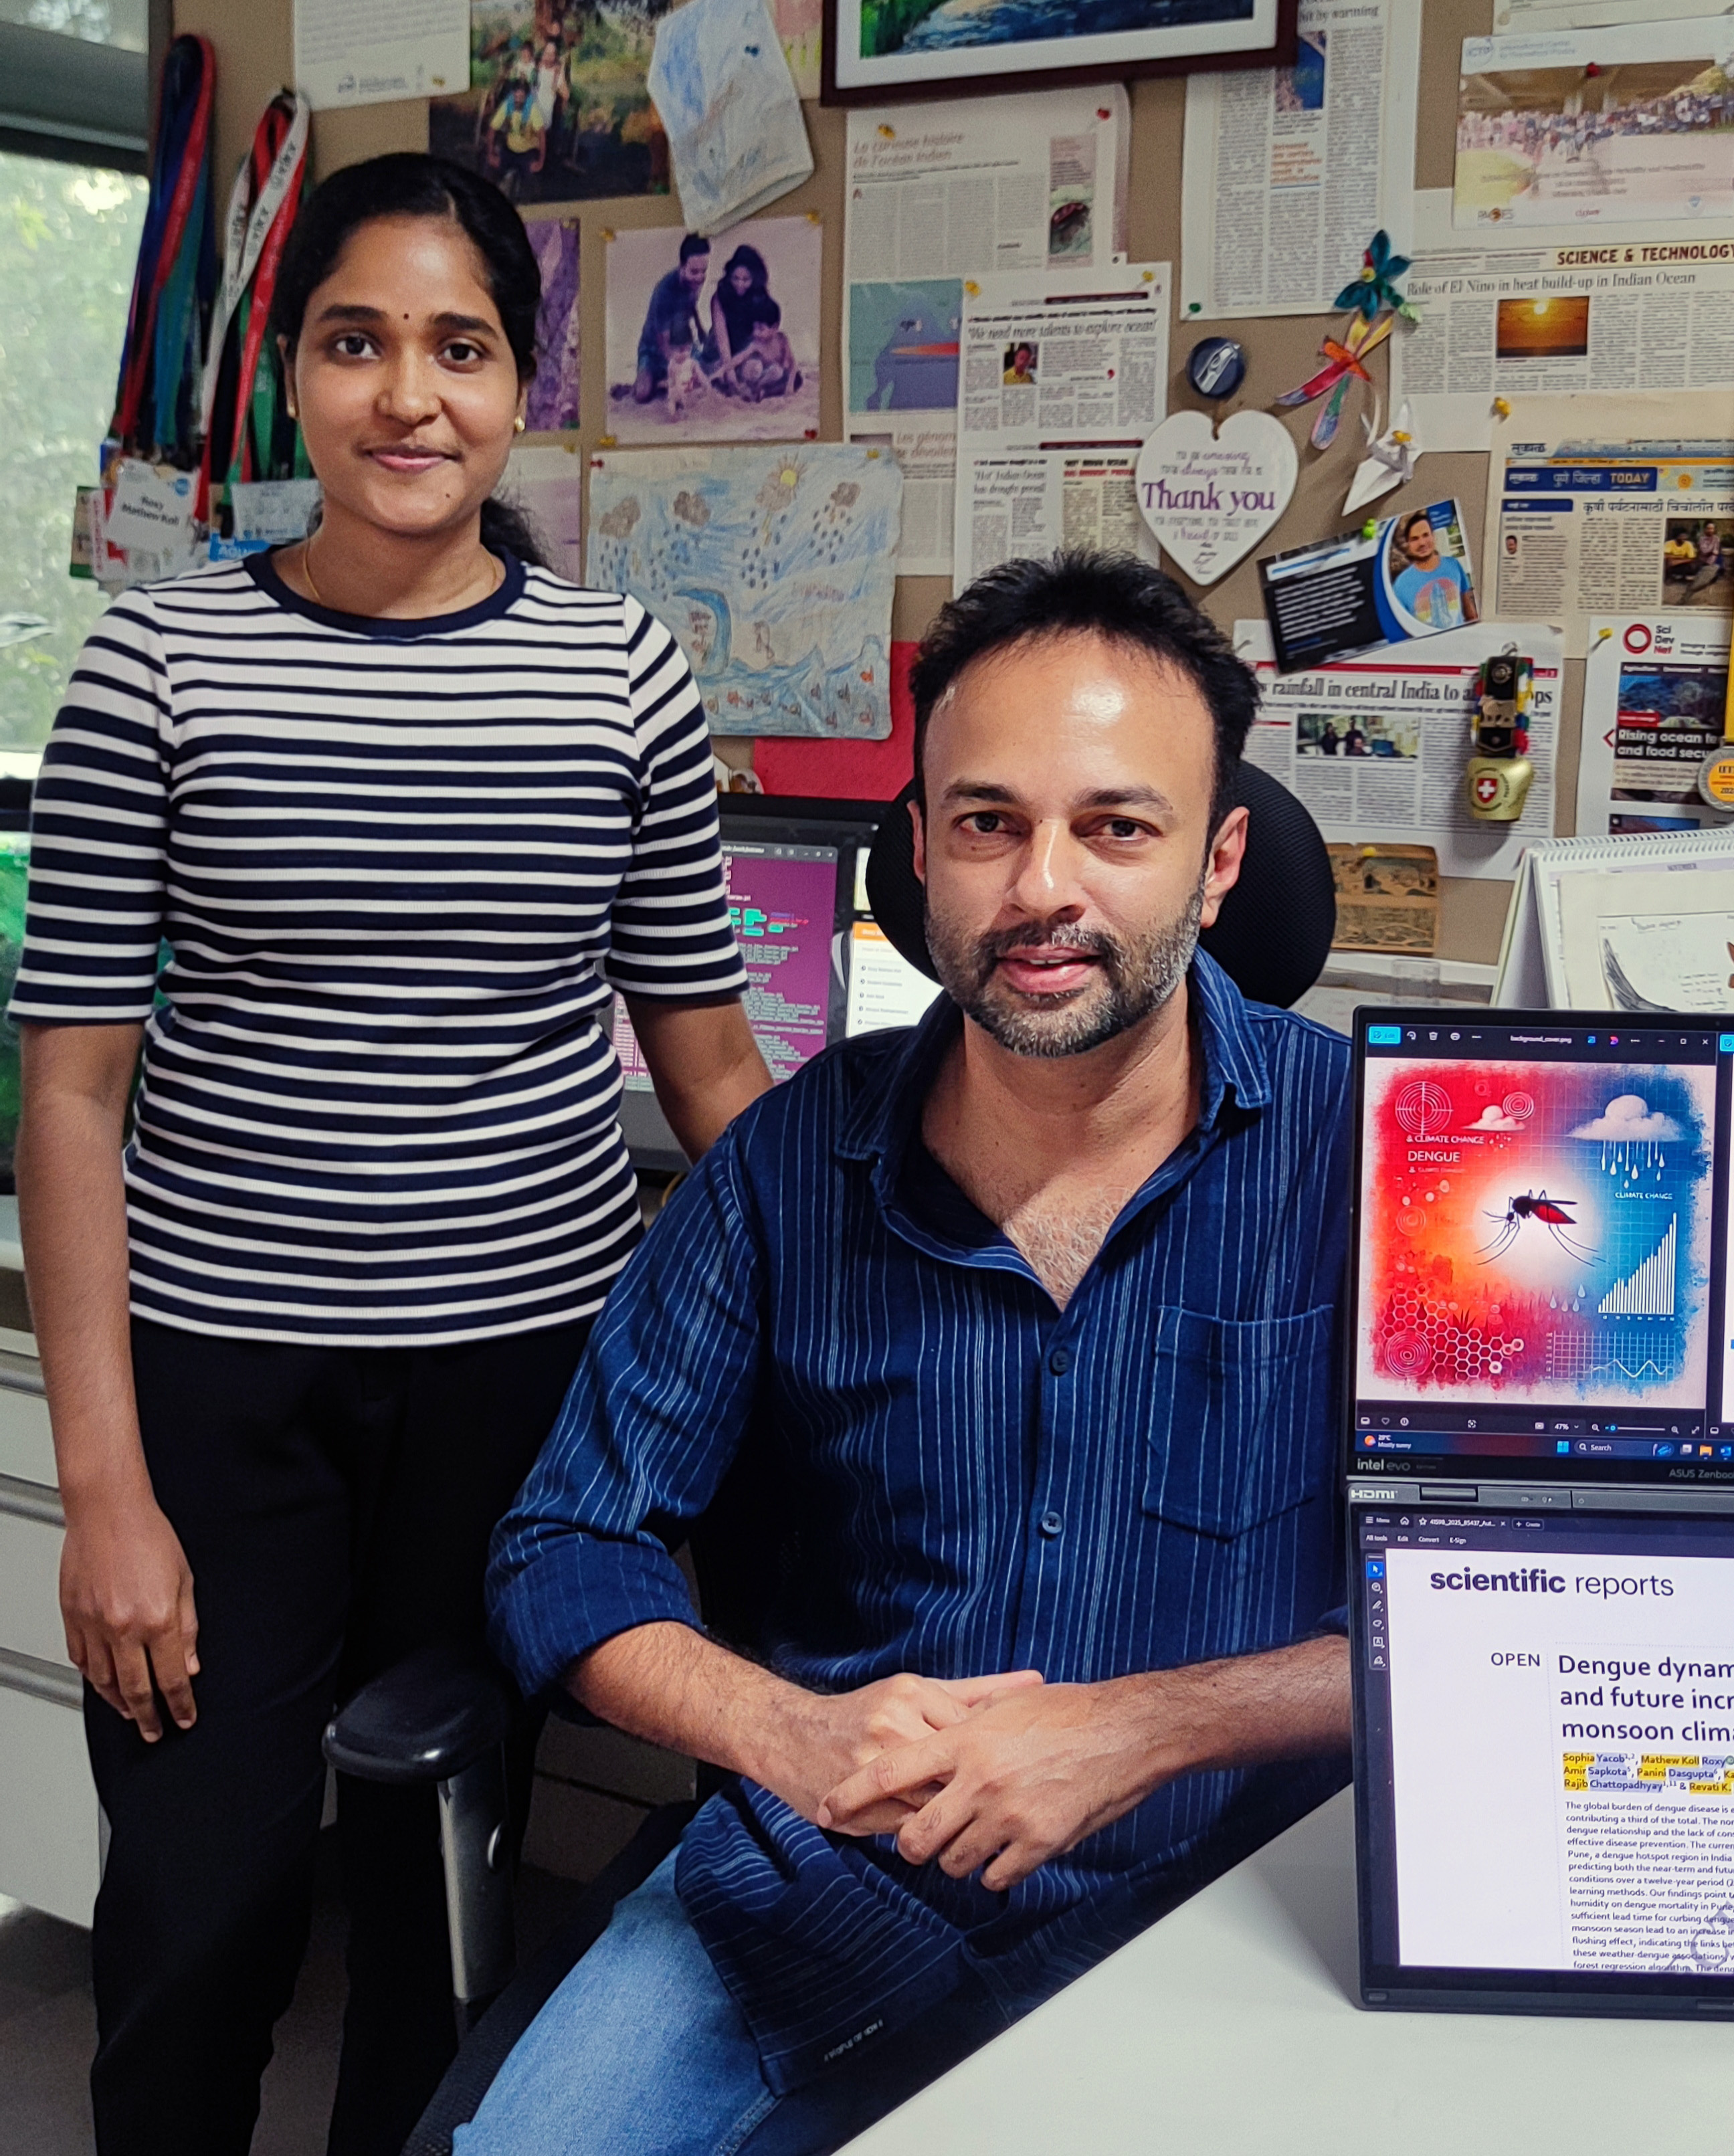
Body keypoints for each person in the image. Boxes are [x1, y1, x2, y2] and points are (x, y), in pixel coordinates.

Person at [13, 152, 770, 2156]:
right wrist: (106, 1490)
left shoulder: (620, 675)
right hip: (218, 1394)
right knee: (203, 1907)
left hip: (519, 1389)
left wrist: (843, 1300)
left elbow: (706, 1057)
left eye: (459, 346)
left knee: (444, 1916)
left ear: (526, 381)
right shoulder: (156, 671)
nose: (406, 396)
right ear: (290, 375)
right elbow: (71, 1093)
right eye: (357, 343)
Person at [464, 551, 1353, 2155]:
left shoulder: (1378, 1163)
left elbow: (1521, 1601)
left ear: (1219, 860)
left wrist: (1148, 1723)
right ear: (919, 851)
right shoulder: (784, 1167)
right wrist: (788, 1734)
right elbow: (561, 1546)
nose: (1042, 890)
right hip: (820, 1883)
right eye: (988, 821)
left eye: (1117, 825)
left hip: (1221, 1904)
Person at [633, 232, 710, 403]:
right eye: (694, 272)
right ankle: (657, 381)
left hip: (682, 344)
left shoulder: (695, 283)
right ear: (682, 267)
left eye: (704, 271)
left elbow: (690, 304)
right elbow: (662, 339)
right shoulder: (665, 292)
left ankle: (664, 383)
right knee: (642, 395)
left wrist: (700, 328)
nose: (699, 277)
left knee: (703, 376)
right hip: (653, 348)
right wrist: (677, 370)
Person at [1391, 509, 1477, 628]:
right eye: (1415, 539)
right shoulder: (1400, 585)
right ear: (1408, 544)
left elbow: (1471, 614)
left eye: (1426, 535)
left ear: (1433, 536)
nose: (1422, 543)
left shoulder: (1453, 565)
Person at [704, 242, 771, 387]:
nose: (740, 284)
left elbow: (760, 339)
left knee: (754, 370)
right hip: (718, 350)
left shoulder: (760, 299)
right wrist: (730, 373)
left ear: (755, 279)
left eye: (746, 280)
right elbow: (722, 340)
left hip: (744, 349)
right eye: (736, 278)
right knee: (722, 376)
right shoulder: (720, 297)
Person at [711, 300, 797, 403]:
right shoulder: (757, 344)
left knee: (781, 373)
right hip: (759, 378)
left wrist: (790, 385)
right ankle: (755, 391)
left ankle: (763, 392)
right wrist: (721, 371)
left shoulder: (782, 340)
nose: (756, 333)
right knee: (757, 366)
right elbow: (740, 358)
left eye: (761, 329)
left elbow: (793, 365)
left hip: (775, 379)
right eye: (755, 328)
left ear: (774, 328)